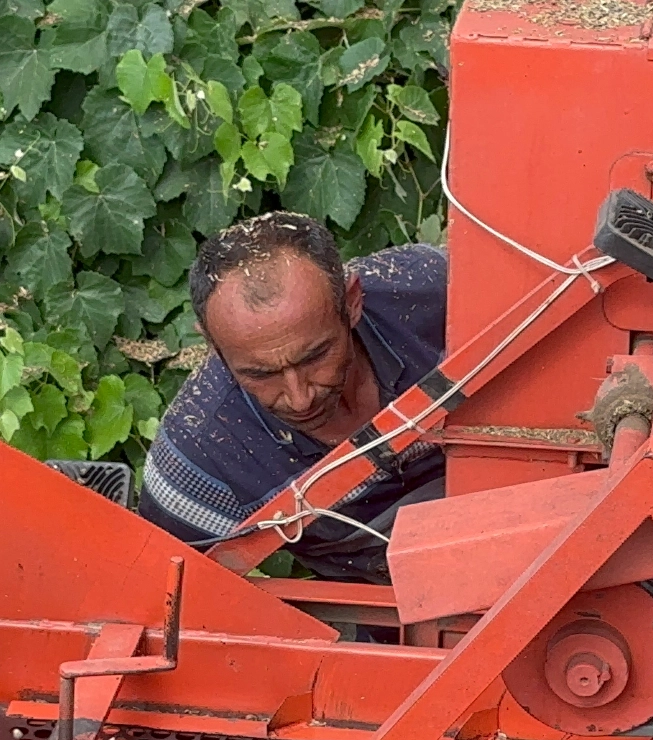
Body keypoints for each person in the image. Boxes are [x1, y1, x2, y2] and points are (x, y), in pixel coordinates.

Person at [138, 212, 447, 584]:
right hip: (381, 606)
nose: (300, 399)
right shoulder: (198, 461)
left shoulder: (436, 296)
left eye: (315, 356)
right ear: (212, 344)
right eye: (259, 374)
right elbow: (167, 600)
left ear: (352, 302)